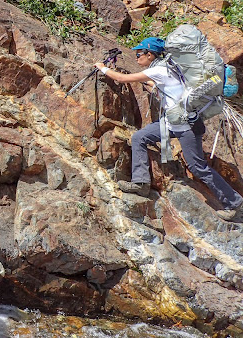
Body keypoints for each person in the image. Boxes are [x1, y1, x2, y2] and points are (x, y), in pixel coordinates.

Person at [94, 37, 243, 221]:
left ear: (150, 54)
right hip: (175, 122)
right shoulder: (169, 68)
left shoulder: (159, 69)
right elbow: (163, 87)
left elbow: (122, 79)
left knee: (198, 167)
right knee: (140, 137)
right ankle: (141, 183)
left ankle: (235, 203)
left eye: (139, 53)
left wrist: (102, 67)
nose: (137, 56)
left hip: (186, 126)